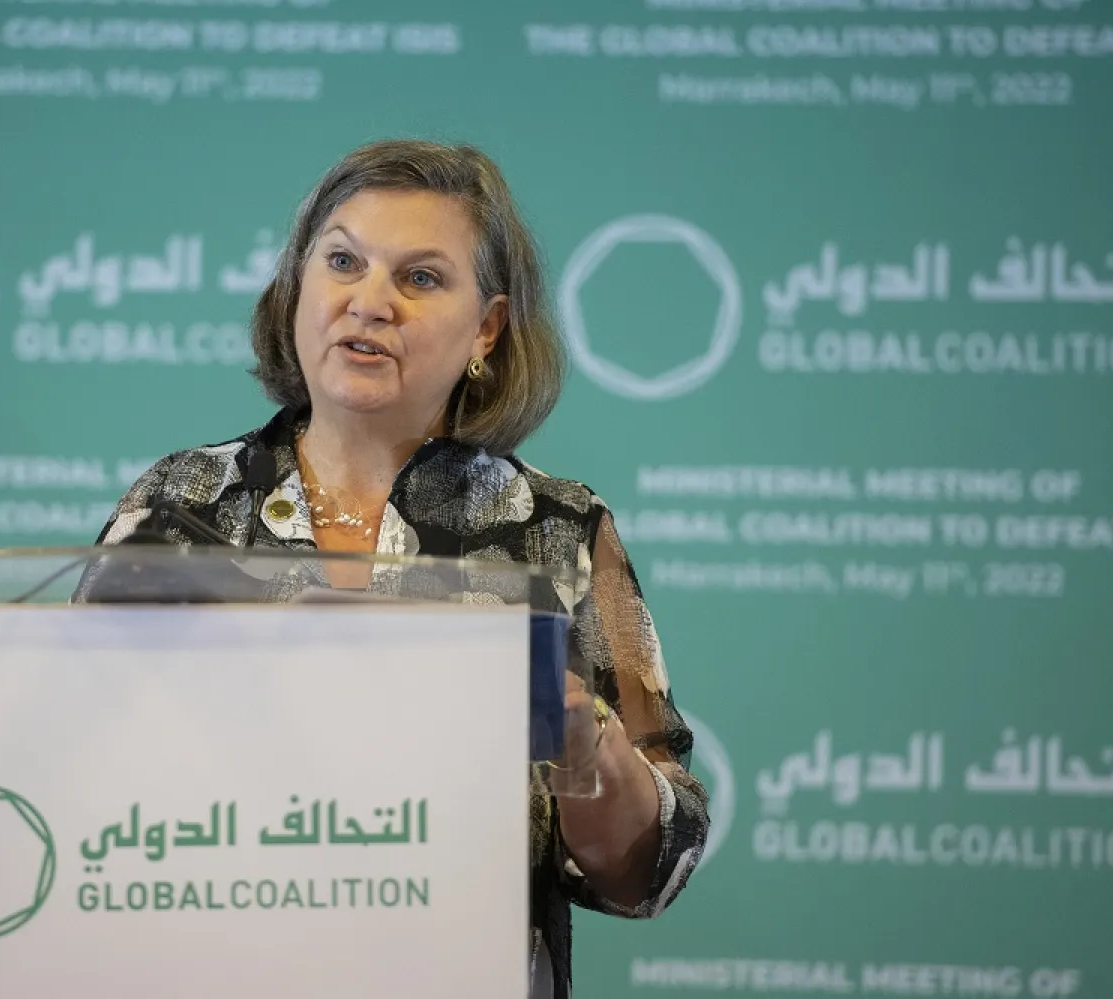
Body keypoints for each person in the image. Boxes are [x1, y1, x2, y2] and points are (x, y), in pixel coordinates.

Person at [74, 138, 709, 998]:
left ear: (486, 326)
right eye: (342, 261)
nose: (369, 302)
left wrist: (582, 747)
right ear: (299, 287)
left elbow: (651, 869)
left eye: (419, 278)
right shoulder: (180, 507)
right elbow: (72, 770)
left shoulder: (558, 531)